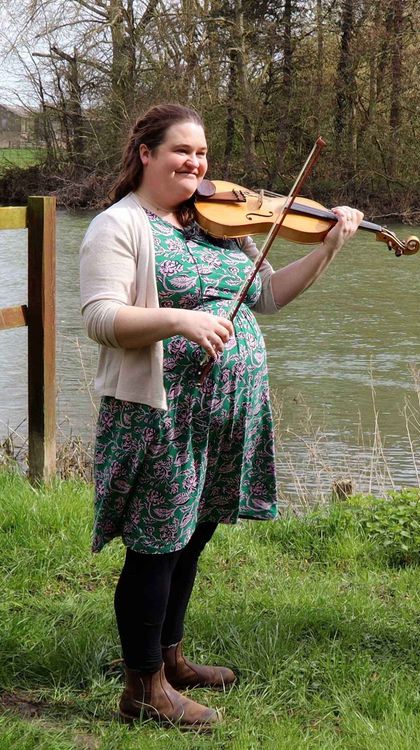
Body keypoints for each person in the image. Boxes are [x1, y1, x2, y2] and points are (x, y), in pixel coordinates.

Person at [80, 103, 363, 727]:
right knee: (156, 545)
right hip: (160, 413)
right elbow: (101, 318)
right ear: (146, 153)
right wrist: (180, 319)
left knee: (194, 534)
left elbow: (268, 296)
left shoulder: (220, 223)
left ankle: (170, 659)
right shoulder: (119, 226)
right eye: (182, 151)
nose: (196, 163)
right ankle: (142, 689)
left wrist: (329, 248)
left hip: (226, 411)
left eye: (203, 153)